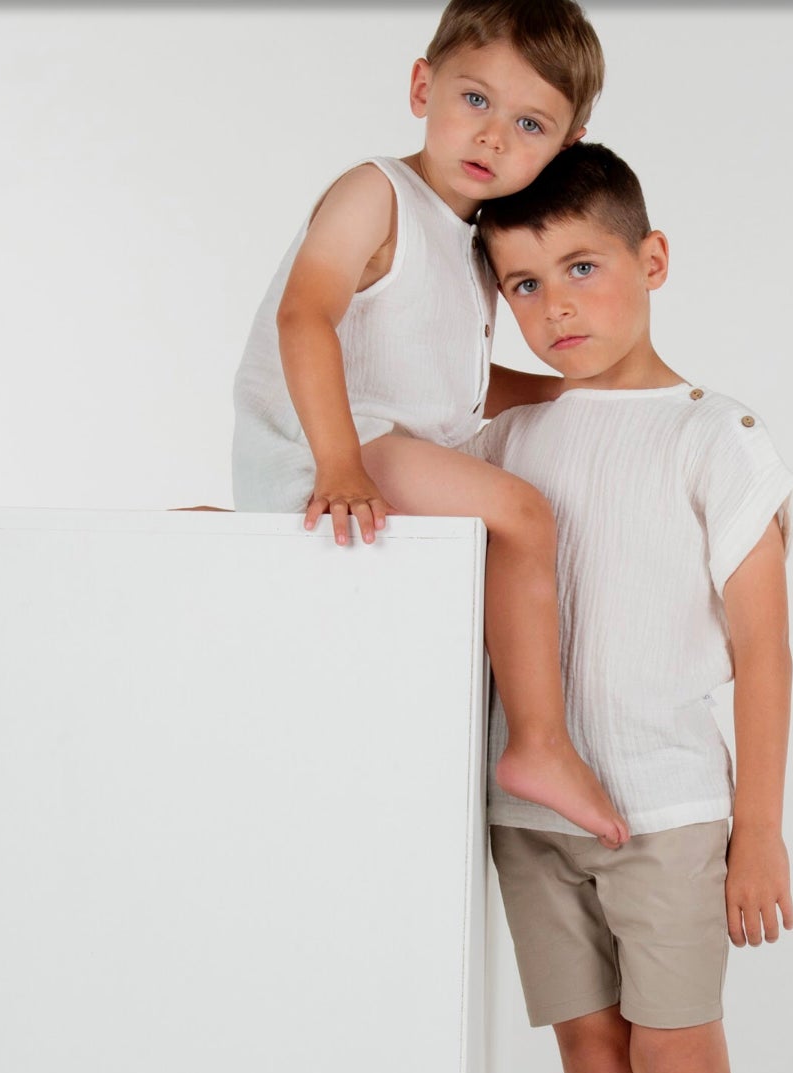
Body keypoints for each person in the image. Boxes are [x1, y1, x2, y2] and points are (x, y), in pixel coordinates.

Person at [467, 143, 793, 1073]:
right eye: (522, 283)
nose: (555, 305)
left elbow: (764, 648)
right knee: (594, 1067)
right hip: (533, 822)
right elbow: (397, 403)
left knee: (678, 1067)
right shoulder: (506, 432)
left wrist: (757, 828)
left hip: (666, 811)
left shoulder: (716, 435)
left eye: (583, 268)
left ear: (651, 262)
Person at [230, 0, 627, 847]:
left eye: (528, 124)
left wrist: (573, 392)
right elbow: (304, 317)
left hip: (385, 447)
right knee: (522, 513)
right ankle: (539, 745)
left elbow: (456, 388)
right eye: (474, 100)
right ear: (421, 86)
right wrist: (338, 464)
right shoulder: (376, 193)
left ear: (566, 146)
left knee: (518, 501)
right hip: (332, 447)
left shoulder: (474, 242)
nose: (491, 137)